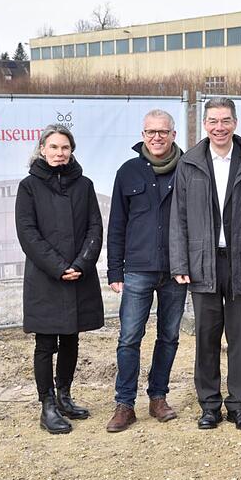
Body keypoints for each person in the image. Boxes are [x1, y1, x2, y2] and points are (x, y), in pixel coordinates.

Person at [169, 97, 241, 430]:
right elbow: (179, 219)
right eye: (213, 121)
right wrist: (180, 262)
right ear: (205, 124)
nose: (219, 127)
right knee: (206, 336)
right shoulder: (190, 164)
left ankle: (238, 404)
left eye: (225, 120)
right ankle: (210, 404)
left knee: (240, 337)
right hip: (203, 262)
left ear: (235, 123)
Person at [15, 124, 104, 435]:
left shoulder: (85, 185)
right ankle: (47, 405)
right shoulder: (29, 187)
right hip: (46, 279)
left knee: (70, 338)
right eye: (53, 147)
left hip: (79, 275)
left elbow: (95, 228)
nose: (59, 153)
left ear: (71, 151)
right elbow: (28, 234)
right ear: (42, 149)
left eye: (64, 148)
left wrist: (81, 263)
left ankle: (64, 396)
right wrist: (58, 266)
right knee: (45, 343)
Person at [105, 109, 187, 432]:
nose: (156, 137)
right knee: (129, 338)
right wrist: (115, 270)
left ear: (173, 135)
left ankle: (158, 397)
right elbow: (116, 224)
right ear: (143, 135)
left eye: (163, 132)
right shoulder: (128, 172)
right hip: (137, 269)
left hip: (176, 270)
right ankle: (125, 404)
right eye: (150, 132)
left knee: (169, 336)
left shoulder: (187, 169)